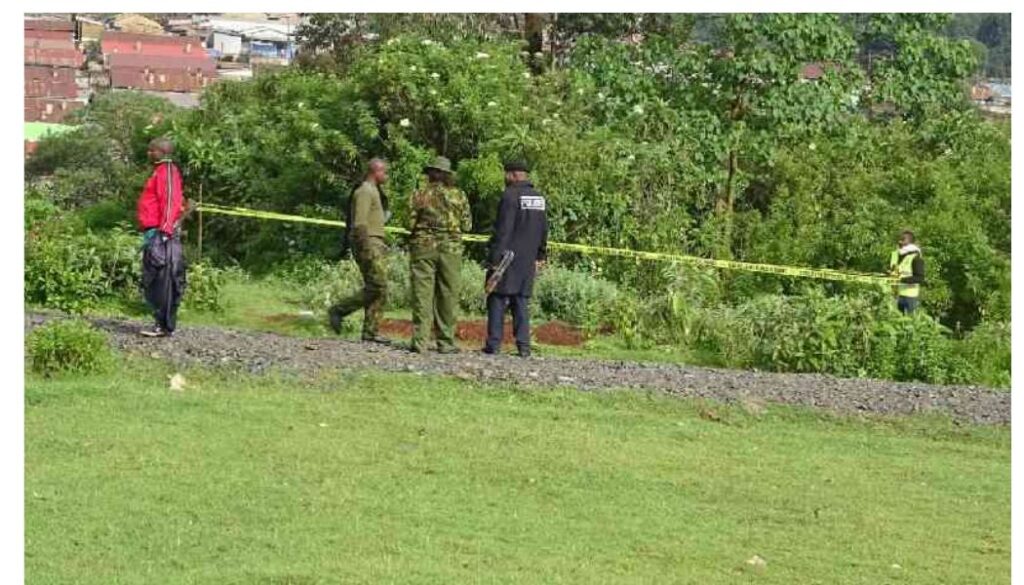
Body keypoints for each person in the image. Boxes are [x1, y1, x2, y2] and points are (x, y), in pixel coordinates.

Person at [406, 156, 472, 354]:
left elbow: (407, 224)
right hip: (450, 249)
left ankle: (420, 342)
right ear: (447, 174)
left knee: (422, 294)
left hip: (423, 247)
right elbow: (467, 226)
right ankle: (445, 342)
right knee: (448, 295)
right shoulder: (459, 195)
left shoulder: (418, 195)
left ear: (430, 174)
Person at [482, 161, 548, 358]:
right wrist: (540, 255)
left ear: (513, 175)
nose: (505, 178)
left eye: (506, 175)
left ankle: (493, 344)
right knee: (520, 301)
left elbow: (503, 230)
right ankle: (524, 346)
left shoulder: (509, 196)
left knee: (496, 298)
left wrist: (494, 258)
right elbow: (544, 229)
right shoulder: (539, 198)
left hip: (506, 259)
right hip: (527, 259)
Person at [329, 158, 392, 344]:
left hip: (376, 243)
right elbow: (360, 223)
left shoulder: (374, 191)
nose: (386, 176)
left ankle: (370, 332)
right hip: (368, 244)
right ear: (375, 172)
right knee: (378, 286)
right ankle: (339, 310)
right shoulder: (364, 191)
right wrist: (365, 247)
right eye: (384, 172)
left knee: (379, 289)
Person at [136, 137, 187, 338]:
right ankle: (159, 322)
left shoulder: (167, 172)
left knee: (163, 280)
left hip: (161, 233)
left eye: (152, 150)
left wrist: (165, 231)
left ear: (162, 152)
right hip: (152, 231)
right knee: (153, 278)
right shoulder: (159, 171)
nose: (149, 154)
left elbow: (170, 201)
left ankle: (163, 325)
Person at [889, 230, 925, 315]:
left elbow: (920, 278)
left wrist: (901, 280)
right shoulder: (896, 254)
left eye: (902, 239)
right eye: (899, 239)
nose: (899, 242)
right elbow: (892, 270)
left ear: (910, 242)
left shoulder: (916, 257)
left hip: (910, 297)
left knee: (909, 324)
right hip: (896, 295)